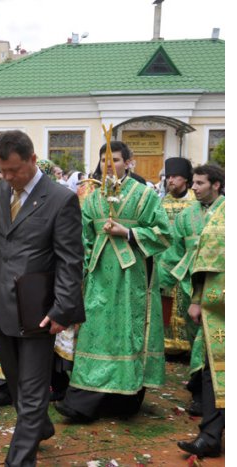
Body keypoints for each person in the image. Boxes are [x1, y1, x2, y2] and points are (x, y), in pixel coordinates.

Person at [0, 130, 84, 465]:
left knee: (34, 386)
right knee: (16, 382)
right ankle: (40, 426)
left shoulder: (59, 199)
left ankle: (19, 460)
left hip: (38, 307)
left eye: (15, 171)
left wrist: (63, 308)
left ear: (33, 160)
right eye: (2, 170)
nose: (8, 178)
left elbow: (70, 259)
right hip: (0, 304)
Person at [56, 141, 170, 422]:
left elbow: (164, 233)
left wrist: (128, 232)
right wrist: (77, 275)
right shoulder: (93, 198)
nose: (110, 165)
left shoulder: (144, 196)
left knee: (125, 336)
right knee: (95, 334)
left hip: (131, 282)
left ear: (129, 162)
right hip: (97, 281)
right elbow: (82, 239)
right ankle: (81, 402)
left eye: (116, 159)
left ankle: (124, 400)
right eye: (105, 160)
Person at [160, 164, 224, 417]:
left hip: (218, 287)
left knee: (204, 342)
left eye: (200, 183)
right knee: (194, 335)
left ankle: (201, 394)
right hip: (188, 285)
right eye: (194, 183)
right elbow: (174, 251)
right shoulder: (187, 216)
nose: (194, 188)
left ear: (216, 185)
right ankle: (202, 391)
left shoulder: (226, 212)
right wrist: (160, 282)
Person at [177, 190, 225, 459]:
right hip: (222, 308)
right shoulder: (221, 214)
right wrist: (196, 299)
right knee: (215, 369)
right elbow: (206, 260)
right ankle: (210, 436)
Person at [158, 157, 198, 353]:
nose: (170, 180)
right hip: (164, 261)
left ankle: (187, 344)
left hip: (186, 262)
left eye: (175, 177)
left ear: (186, 180)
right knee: (164, 303)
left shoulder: (194, 203)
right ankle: (167, 345)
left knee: (186, 301)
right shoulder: (161, 203)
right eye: (168, 177)